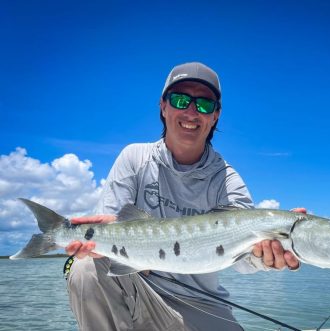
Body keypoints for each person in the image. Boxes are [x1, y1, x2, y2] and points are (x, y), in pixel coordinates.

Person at [66, 62, 302, 331]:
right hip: (137, 288)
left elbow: (245, 262)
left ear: (215, 116)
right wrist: (103, 239)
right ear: (163, 107)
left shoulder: (227, 180)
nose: (192, 111)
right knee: (84, 268)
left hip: (201, 303)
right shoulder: (134, 158)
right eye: (180, 100)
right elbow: (111, 231)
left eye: (204, 104)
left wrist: (267, 258)